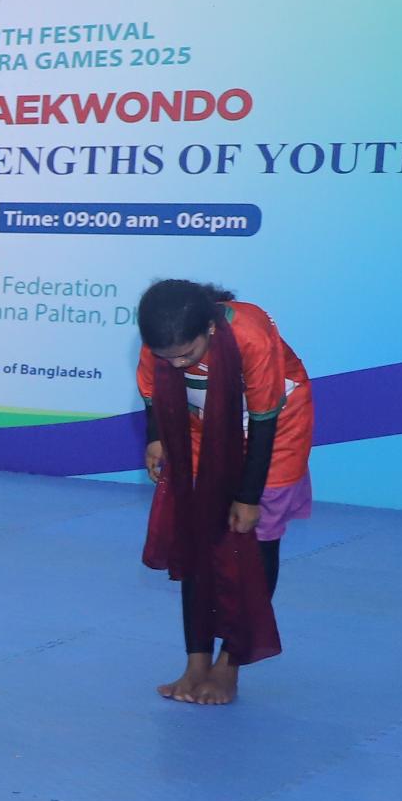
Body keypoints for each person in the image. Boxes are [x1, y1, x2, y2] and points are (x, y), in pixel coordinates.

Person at [135, 278, 309, 705]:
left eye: (186, 355)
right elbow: (154, 395)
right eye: (166, 357)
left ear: (210, 329)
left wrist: (248, 498)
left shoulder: (251, 335)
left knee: (255, 540)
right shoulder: (162, 339)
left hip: (275, 432)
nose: (176, 364)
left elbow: (265, 421)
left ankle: (229, 664)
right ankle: (196, 663)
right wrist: (156, 437)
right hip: (202, 428)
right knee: (195, 538)